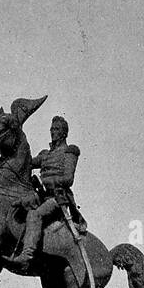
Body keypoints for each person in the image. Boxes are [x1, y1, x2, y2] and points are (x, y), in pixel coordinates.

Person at [15, 115, 85, 271]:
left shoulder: (69, 152)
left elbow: (68, 179)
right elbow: (27, 163)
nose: (53, 132)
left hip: (58, 198)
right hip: (43, 196)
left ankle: (27, 255)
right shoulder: (45, 154)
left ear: (64, 133)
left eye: (57, 129)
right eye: (52, 129)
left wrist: (49, 182)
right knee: (18, 205)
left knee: (35, 215)